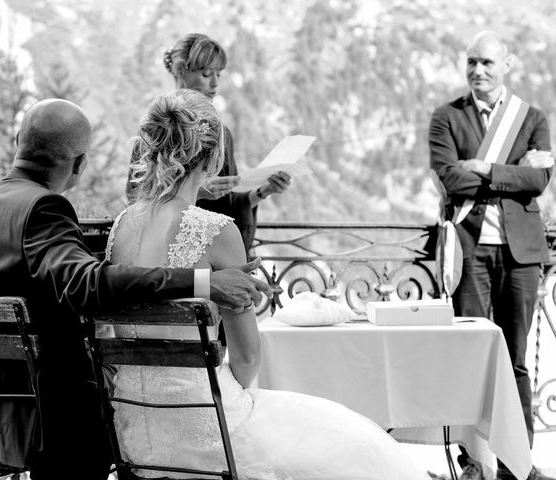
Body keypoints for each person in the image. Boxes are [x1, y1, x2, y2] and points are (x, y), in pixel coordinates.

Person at [0, 98, 271, 480]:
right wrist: (204, 281)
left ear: (18, 140)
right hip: (53, 422)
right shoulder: (43, 208)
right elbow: (87, 282)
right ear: (79, 164)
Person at [108, 88, 431, 480]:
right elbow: (246, 360)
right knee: (356, 445)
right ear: (213, 157)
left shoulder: (121, 227)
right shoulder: (216, 230)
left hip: (135, 431)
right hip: (209, 431)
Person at [429, 31, 554, 480]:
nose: (478, 70)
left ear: (507, 65)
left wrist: (482, 168)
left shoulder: (532, 117)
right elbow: (450, 179)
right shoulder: (447, 117)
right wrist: (510, 174)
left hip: (521, 253)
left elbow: (539, 182)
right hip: (468, 250)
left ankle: (516, 461)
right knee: (472, 355)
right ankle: (473, 462)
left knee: (515, 359)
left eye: (487, 62)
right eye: (472, 62)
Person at [161, 32, 292, 255]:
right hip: (172, 251)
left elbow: (230, 208)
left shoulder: (223, 135)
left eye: (218, 75)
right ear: (181, 70)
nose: (214, 83)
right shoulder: (159, 126)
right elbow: (139, 199)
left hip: (219, 254)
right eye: (205, 74)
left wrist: (263, 191)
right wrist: (197, 192)